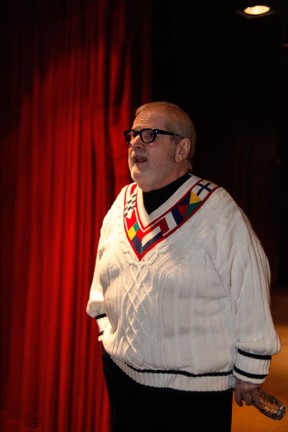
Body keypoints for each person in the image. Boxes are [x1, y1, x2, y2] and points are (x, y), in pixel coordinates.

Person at [86, 101, 281, 431]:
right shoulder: (123, 201)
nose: (135, 143)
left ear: (182, 148)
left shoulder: (215, 210)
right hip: (123, 379)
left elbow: (249, 286)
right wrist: (107, 329)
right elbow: (103, 274)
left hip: (192, 394)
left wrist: (250, 369)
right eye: (133, 134)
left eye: (150, 134)